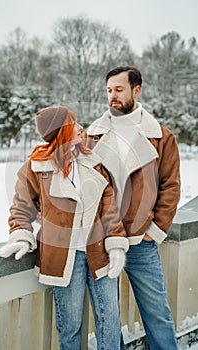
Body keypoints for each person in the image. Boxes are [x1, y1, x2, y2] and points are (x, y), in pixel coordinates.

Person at [0, 106, 130, 350]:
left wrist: (117, 245)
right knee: (70, 326)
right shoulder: (36, 168)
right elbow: (21, 207)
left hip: (98, 254)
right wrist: (20, 236)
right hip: (62, 258)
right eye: (74, 124)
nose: (81, 128)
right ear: (60, 131)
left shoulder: (93, 163)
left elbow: (109, 210)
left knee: (109, 320)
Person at [84, 66, 180, 350]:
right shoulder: (92, 134)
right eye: (109, 91)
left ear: (136, 90)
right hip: (102, 239)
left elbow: (171, 186)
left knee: (157, 313)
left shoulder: (161, 136)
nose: (112, 96)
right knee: (107, 318)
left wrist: (155, 229)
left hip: (141, 239)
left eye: (119, 90)